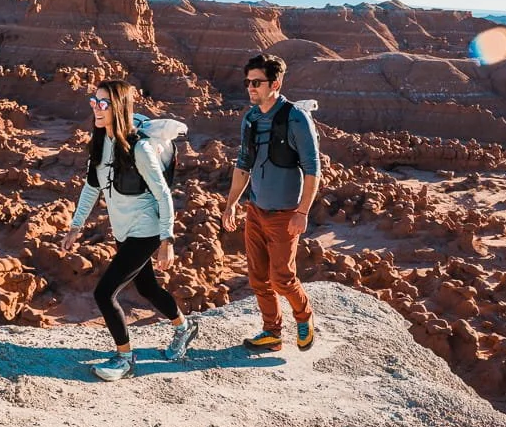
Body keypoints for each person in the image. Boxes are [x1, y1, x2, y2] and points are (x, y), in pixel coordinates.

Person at [62, 79, 199, 381]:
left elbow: (163, 194)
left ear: (119, 107)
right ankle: (184, 328)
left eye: (104, 103)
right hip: (123, 232)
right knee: (147, 287)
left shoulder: (139, 149)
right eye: (94, 102)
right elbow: (91, 186)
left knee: (104, 293)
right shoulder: (101, 141)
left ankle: (125, 359)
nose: (96, 109)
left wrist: (167, 240)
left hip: (146, 231)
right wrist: (75, 226)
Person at [221, 54, 320, 352]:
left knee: (282, 277)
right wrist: (231, 204)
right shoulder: (250, 119)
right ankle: (272, 332)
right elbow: (243, 165)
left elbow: (313, 168)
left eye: (256, 83)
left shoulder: (295, 118)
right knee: (257, 277)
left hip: (284, 214)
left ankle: (304, 317)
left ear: (275, 84)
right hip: (256, 210)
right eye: (247, 82)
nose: (250, 88)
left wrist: (302, 212)